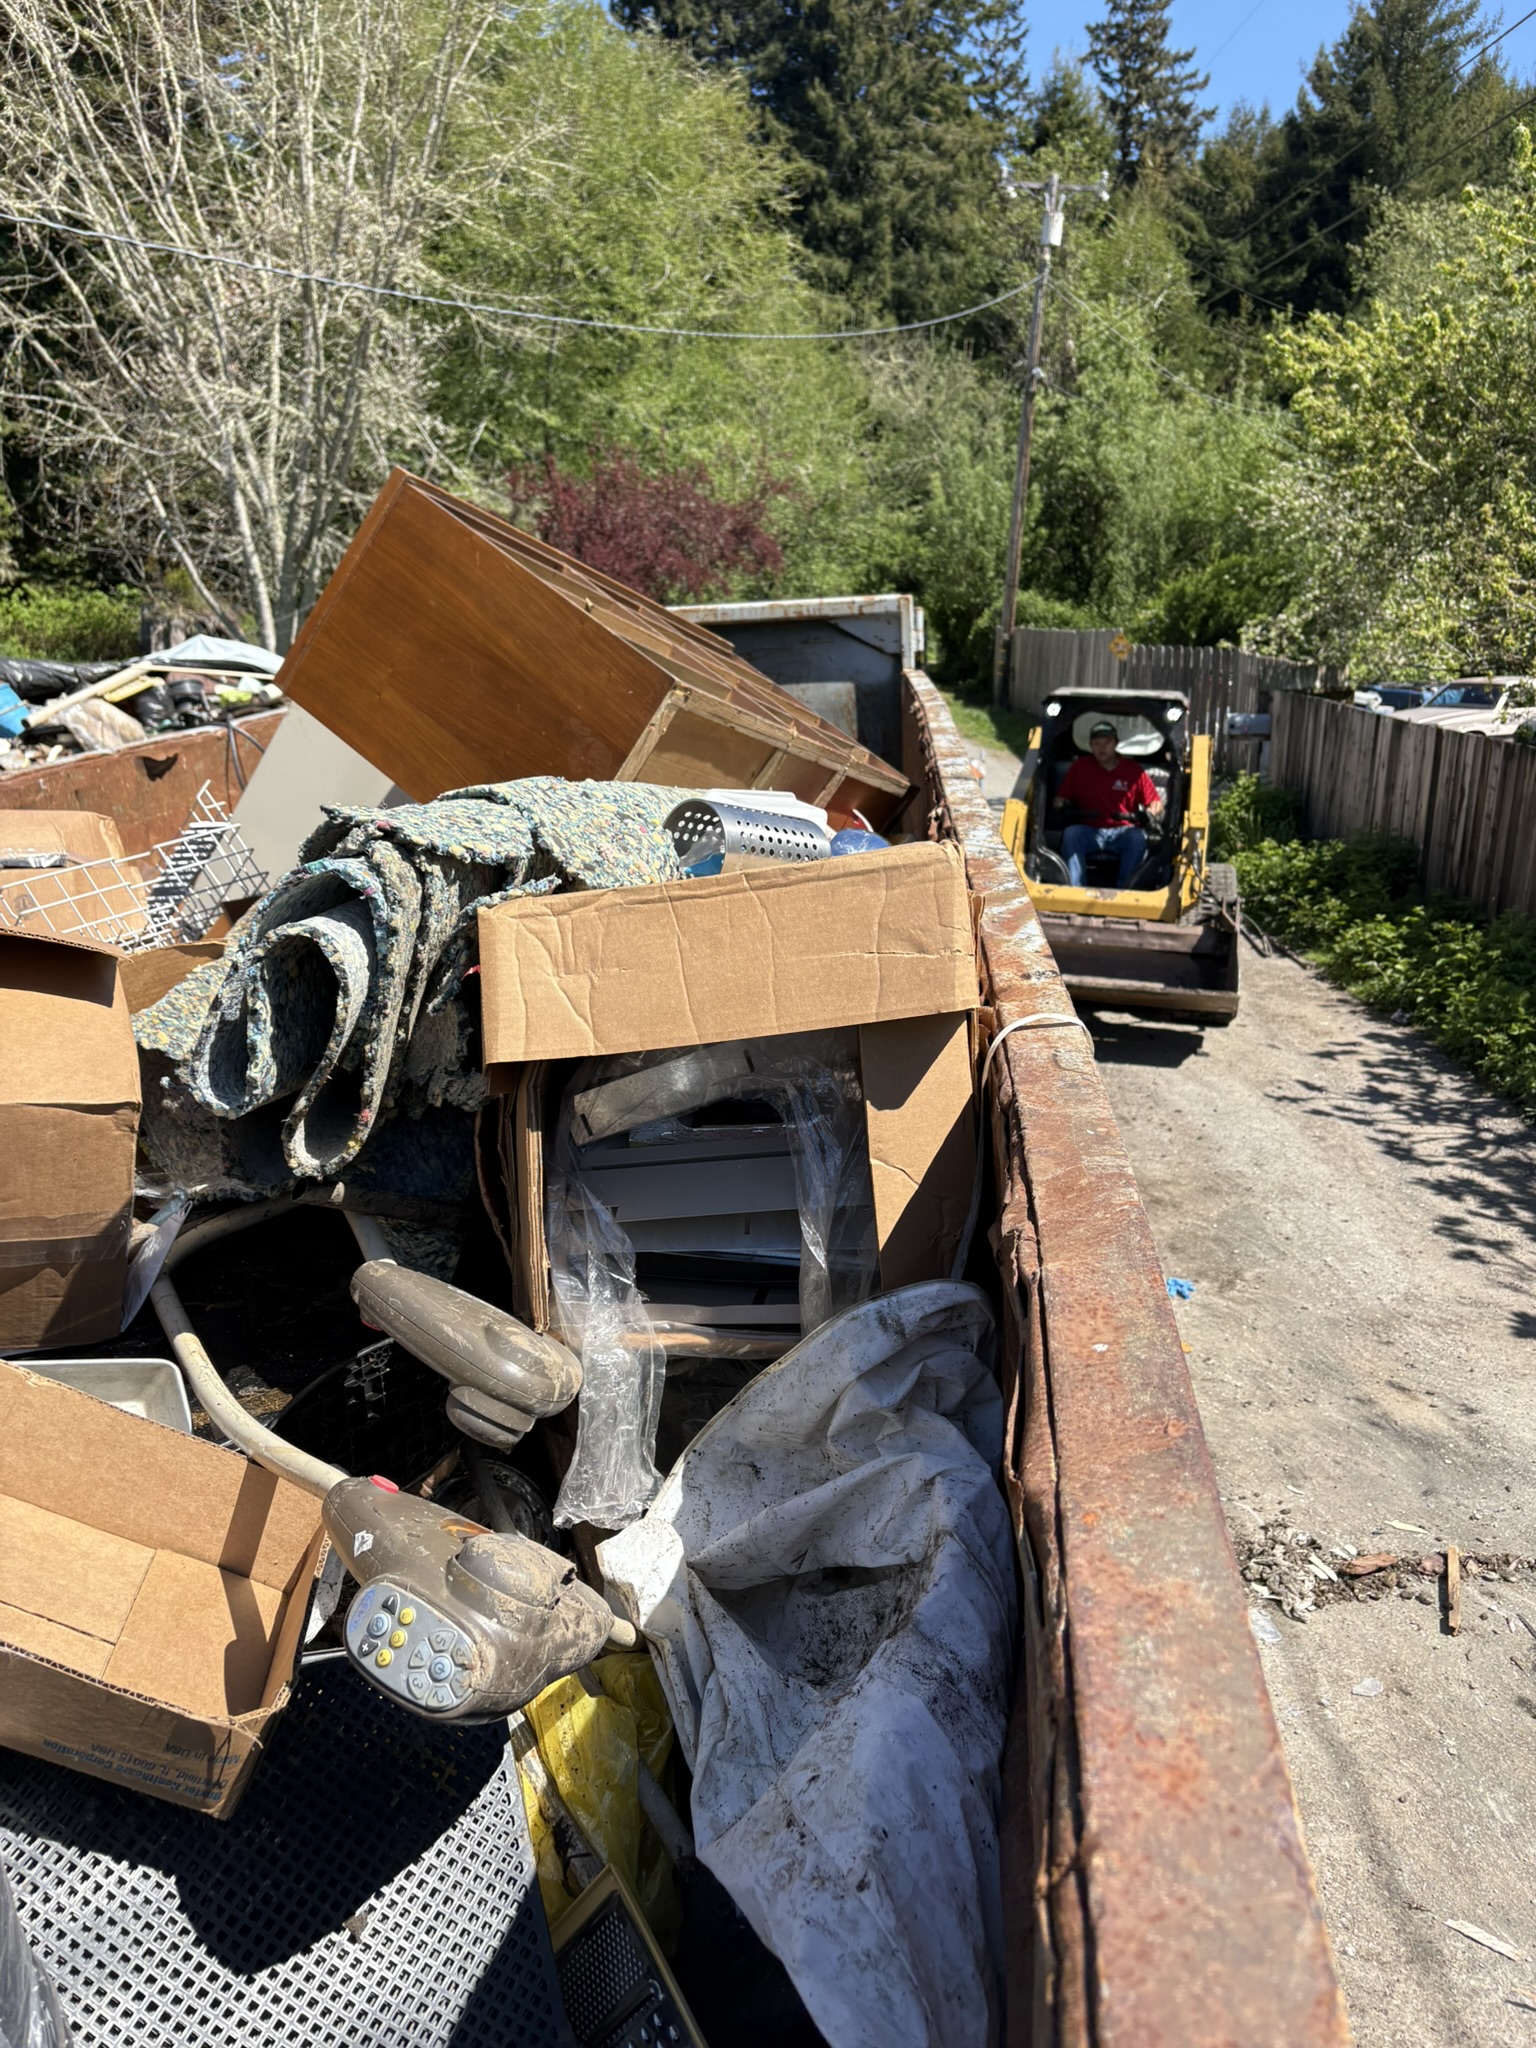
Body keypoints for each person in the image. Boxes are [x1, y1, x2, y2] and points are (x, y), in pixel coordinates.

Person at [1051, 719, 1163, 887]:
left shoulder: (1133, 770)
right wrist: (1061, 805)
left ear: (1116, 744)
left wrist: (1151, 811)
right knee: (1071, 834)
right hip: (1089, 830)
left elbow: (1155, 802)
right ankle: (1075, 890)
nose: (1101, 747)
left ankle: (1125, 891)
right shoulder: (1079, 768)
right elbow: (1060, 799)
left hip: (1124, 831)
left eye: (1107, 742)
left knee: (1137, 838)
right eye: (1096, 743)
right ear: (1090, 746)